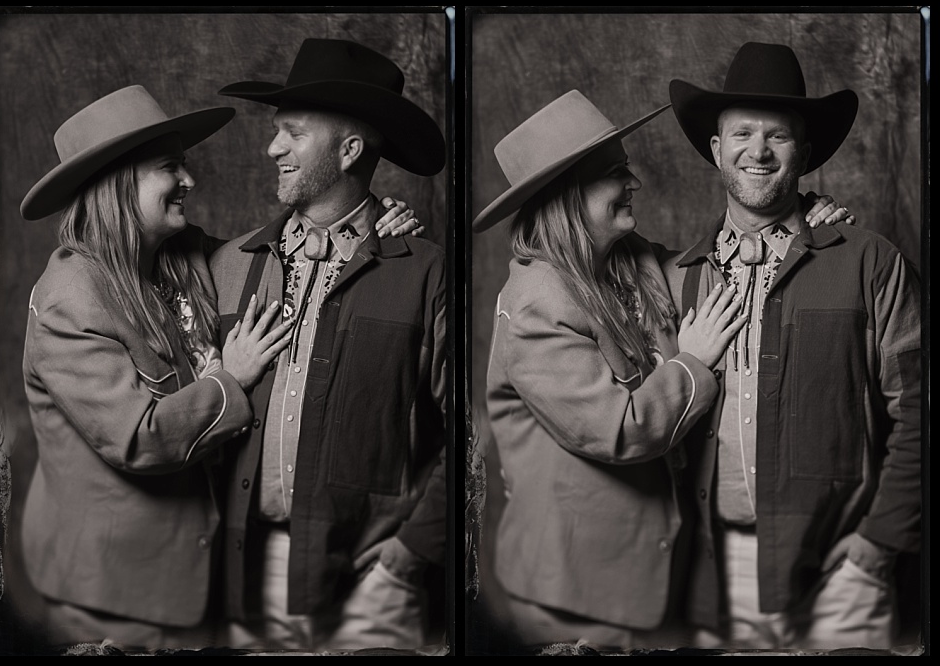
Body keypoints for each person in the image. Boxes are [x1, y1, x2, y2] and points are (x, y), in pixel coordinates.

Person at [17, 84, 421, 652]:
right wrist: (231, 379)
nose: (190, 181)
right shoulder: (71, 296)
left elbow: (285, 249)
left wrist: (373, 225)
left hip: (193, 582)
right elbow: (139, 439)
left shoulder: (178, 259)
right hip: (112, 594)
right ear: (116, 186)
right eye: (169, 169)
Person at [471, 88, 856, 652]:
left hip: (646, 575)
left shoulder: (632, 262)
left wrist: (800, 220)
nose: (635, 183)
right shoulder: (533, 304)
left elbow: (724, 264)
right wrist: (692, 361)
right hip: (572, 591)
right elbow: (620, 430)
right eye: (615, 173)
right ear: (567, 196)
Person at [664, 41, 921, 650]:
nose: (758, 151)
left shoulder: (869, 262)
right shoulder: (679, 276)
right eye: (743, 133)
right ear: (715, 149)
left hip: (842, 575)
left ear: (803, 155)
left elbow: (917, 413)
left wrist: (879, 547)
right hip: (712, 578)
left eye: (777, 136)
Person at [208, 38, 447, 651]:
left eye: (292, 133)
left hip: (373, 592)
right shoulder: (230, 265)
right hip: (245, 581)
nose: (272, 148)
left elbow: (464, 432)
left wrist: (408, 555)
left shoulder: (426, 271)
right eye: (275, 133)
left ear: (348, 151)